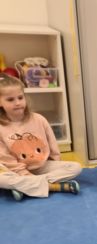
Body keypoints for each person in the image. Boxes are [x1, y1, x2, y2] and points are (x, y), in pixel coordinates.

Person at [0, 73, 81, 201]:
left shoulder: (39, 119)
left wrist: (56, 162)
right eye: (10, 100)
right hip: (16, 171)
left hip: (42, 167)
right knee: (2, 179)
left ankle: (24, 187)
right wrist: (23, 173)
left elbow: (52, 144)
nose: (17, 103)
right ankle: (53, 186)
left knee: (75, 167)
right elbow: (6, 158)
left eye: (20, 97)